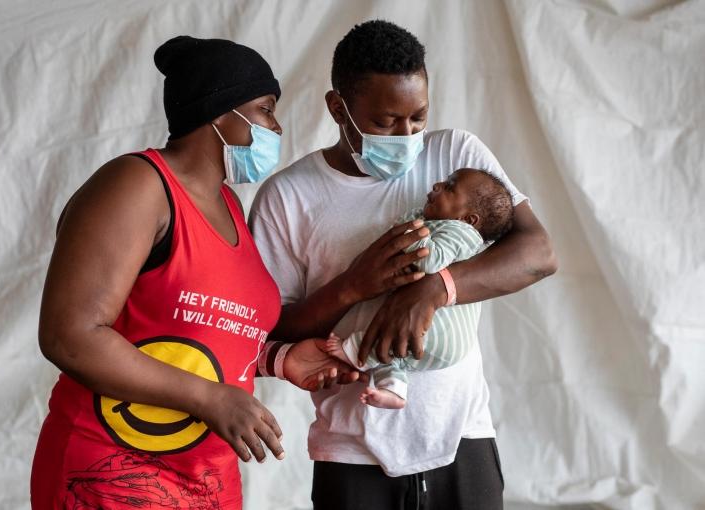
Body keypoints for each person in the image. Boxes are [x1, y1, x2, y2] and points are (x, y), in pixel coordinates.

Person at [31, 36, 356, 510]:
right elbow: (70, 335)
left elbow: (205, 339)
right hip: (111, 474)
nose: (276, 125)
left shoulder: (229, 206)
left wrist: (278, 361)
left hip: (206, 483)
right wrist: (209, 399)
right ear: (220, 114)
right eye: (265, 109)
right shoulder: (137, 185)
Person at [249, 21, 557, 510]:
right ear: (337, 108)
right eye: (385, 122)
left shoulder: (456, 157)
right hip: (351, 449)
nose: (407, 135)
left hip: (463, 436)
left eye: (418, 117)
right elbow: (267, 330)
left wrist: (435, 289)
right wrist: (353, 286)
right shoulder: (288, 198)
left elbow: (538, 253)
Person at [325, 168, 515, 409]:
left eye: (449, 187)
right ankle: (393, 389)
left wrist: (411, 228)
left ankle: (355, 351)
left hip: (443, 333)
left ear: (469, 219)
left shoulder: (462, 233)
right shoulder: (444, 226)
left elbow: (430, 260)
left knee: (386, 336)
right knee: (392, 352)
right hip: (437, 338)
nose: (437, 185)